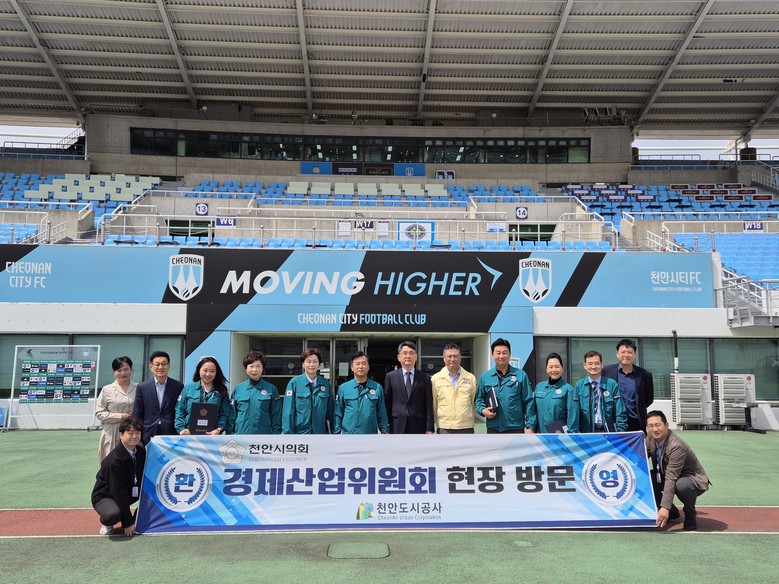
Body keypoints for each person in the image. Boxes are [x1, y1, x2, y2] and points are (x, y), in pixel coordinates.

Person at [646, 410, 710, 530]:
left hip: (690, 479)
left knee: (682, 485)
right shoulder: (651, 437)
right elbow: (641, 456)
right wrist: (637, 437)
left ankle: (690, 514)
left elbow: (671, 477)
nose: (654, 429)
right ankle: (672, 512)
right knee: (646, 478)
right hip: (666, 474)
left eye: (658, 425)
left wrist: (665, 507)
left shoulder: (676, 446)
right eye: (650, 426)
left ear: (666, 425)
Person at [91, 417, 145, 536]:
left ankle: (133, 518)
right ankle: (107, 523)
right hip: (106, 496)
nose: (135, 436)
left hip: (128, 492)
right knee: (113, 514)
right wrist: (127, 523)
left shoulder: (141, 452)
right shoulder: (113, 461)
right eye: (130, 433)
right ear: (121, 435)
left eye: (138, 433)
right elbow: (119, 492)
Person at [475, 338, 536, 433]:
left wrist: (530, 426)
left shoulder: (520, 375)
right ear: (492, 355)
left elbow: (528, 402)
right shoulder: (485, 377)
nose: (501, 356)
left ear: (510, 354)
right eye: (498, 353)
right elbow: (479, 399)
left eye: (505, 353)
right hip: (494, 428)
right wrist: (483, 410)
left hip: (515, 428)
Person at [603, 339, 655, 432]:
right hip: (613, 421)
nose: (626, 355)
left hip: (636, 421)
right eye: (623, 352)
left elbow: (648, 399)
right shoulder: (606, 372)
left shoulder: (644, 374)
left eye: (630, 352)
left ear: (634, 355)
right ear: (617, 354)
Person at [132, 351, 184, 444]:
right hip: (149, 433)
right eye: (157, 364)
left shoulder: (178, 386)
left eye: (164, 364)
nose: (160, 367)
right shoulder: (142, 387)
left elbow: (181, 410)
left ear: (169, 366)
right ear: (151, 367)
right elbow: (137, 413)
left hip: (171, 432)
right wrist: (137, 435)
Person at [383, 341, 434, 434]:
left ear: (416, 357)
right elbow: (387, 404)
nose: (408, 356)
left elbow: (428, 404)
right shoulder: (390, 377)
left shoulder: (424, 377)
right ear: (399, 357)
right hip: (396, 425)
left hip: (418, 425)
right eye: (405, 353)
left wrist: (429, 428)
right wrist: (385, 427)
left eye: (411, 353)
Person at [334, 351, 389, 435]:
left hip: (370, 436)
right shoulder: (343, 388)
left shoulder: (377, 388)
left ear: (368, 367)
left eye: (364, 364)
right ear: (352, 367)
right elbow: (338, 413)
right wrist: (336, 433)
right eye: (357, 364)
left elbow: (382, 413)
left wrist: (385, 431)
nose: (360, 366)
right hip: (349, 436)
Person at [572, 350, 627, 432]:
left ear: (602, 365)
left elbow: (620, 411)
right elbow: (574, 413)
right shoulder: (579, 386)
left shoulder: (611, 384)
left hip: (608, 432)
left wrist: (620, 431)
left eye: (596, 363)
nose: (593, 366)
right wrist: (574, 433)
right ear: (585, 365)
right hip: (587, 432)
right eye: (590, 364)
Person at [95, 356, 137, 463]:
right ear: (113, 372)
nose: (123, 373)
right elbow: (99, 412)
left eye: (126, 369)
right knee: (112, 464)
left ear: (131, 370)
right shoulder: (107, 389)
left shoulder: (139, 388)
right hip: (112, 432)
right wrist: (121, 416)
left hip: (133, 431)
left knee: (132, 463)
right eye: (119, 370)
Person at [282, 348, 333, 434]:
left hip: (320, 434)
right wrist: (288, 435)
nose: (311, 365)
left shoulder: (325, 384)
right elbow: (288, 412)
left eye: (315, 362)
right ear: (303, 364)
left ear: (319, 364)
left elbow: (330, 412)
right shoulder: (294, 383)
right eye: (308, 362)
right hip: (300, 434)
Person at [175, 356, 230, 435]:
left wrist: (219, 429)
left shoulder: (222, 391)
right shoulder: (188, 388)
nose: (208, 374)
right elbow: (179, 410)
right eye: (205, 370)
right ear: (199, 370)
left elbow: (224, 414)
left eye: (212, 371)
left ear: (216, 373)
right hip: (189, 434)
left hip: (212, 436)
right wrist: (181, 429)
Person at [430, 343, 478, 433]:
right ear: (444, 358)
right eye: (449, 356)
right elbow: (434, 404)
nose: (452, 359)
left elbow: (474, 402)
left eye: (455, 356)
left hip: (466, 427)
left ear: (460, 358)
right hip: (444, 427)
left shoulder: (470, 378)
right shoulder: (435, 379)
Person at [232, 350, 282, 434]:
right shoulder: (238, 389)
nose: (254, 370)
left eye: (258, 366)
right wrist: (230, 434)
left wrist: (275, 435)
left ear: (263, 368)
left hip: (263, 438)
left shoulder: (271, 389)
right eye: (251, 366)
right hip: (241, 437)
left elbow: (276, 416)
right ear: (246, 368)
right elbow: (232, 415)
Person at [534, 352, 577, 433]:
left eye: (557, 367)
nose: (554, 370)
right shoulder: (539, 387)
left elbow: (572, 416)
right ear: (546, 369)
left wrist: (571, 436)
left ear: (562, 369)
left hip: (559, 436)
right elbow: (533, 412)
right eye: (550, 367)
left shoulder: (568, 389)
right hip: (540, 436)